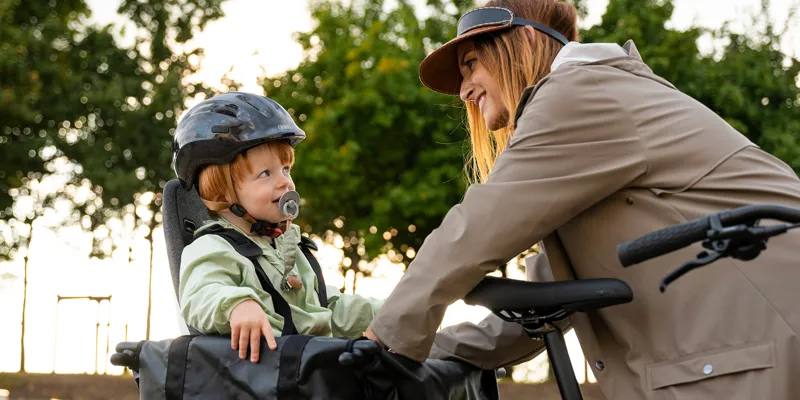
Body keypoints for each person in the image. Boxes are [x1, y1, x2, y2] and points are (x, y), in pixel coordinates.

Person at [365, 0, 800, 398]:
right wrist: (433, 349)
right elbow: (542, 302)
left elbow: (472, 230)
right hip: (748, 340)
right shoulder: (586, 123)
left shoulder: (580, 91)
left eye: (472, 64)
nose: (463, 90)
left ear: (526, 39)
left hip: (763, 335)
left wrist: (379, 344)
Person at [172, 92, 383, 363]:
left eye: (286, 169)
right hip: (266, 380)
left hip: (313, 373)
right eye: (266, 174)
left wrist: (390, 313)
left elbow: (325, 307)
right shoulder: (212, 247)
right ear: (221, 190)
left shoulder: (289, 249)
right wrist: (237, 305)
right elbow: (200, 294)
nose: (285, 183)